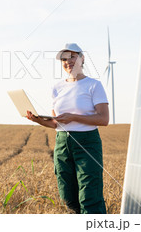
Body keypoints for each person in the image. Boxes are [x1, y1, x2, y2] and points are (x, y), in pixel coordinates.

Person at [26, 43, 109, 214]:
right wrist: (37, 120)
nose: (68, 61)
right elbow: (56, 123)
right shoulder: (57, 88)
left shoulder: (94, 85)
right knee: (67, 197)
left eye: (72, 56)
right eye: (64, 59)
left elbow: (103, 119)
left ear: (82, 58)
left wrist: (74, 117)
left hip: (87, 143)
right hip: (62, 144)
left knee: (89, 195)